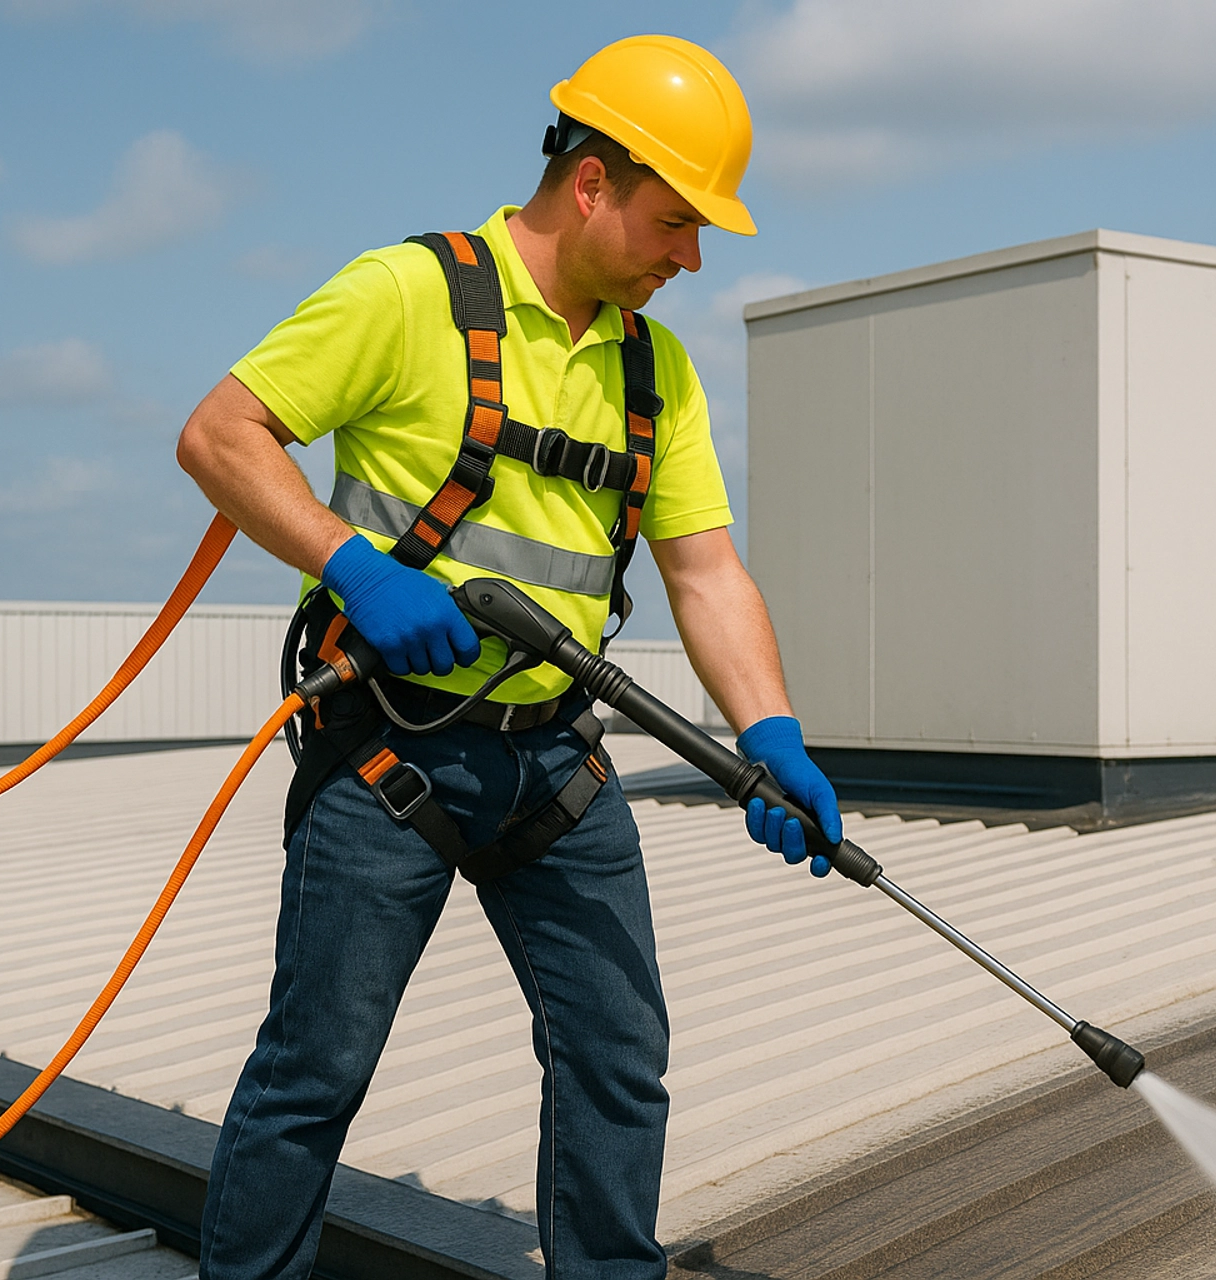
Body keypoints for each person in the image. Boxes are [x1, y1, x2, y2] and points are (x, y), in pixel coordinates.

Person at [174, 33, 841, 1280]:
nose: (689, 256)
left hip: (557, 770)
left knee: (615, 1059)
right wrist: (355, 568)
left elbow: (705, 570)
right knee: (315, 1072)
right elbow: (221, 435)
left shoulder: (657, 371)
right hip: (391, 759)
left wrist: (771, 735)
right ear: (590, 180)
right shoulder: (407, 293)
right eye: (674, 222)